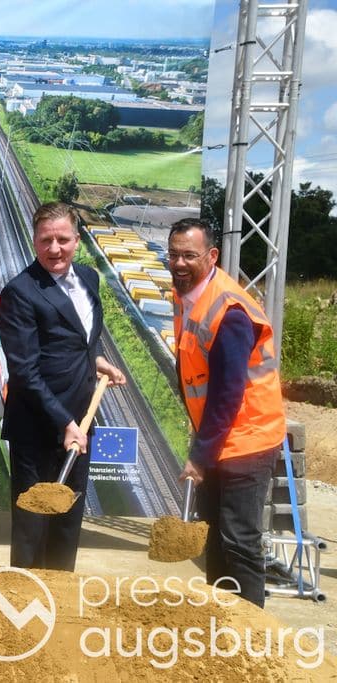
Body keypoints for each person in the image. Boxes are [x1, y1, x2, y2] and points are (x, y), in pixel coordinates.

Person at [0, 201, 126, 571]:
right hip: (38, 426)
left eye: (63, 240)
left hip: (81, 421)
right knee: (33, 527)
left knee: (67, 524)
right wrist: (64, 422)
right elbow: (25, 371)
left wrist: (96, 360)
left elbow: (79, 339)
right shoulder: (20, 292)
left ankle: (61, 596)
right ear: (34, 242)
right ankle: (26, 596)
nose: (54, 248)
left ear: (77, 240)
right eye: (46, 240)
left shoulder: (88, 278)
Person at [168, 217, 286, 607]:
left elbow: (227, 394)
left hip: (247, 438)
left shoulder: (230, 311)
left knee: (239, 540)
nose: (180, 263)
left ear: (212, 255)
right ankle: (221, 619)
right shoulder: (185, 296)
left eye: (189, 255)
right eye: (174, 254)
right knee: (214, 536)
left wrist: (200, 457)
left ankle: (250, 630)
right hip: (218, 434)